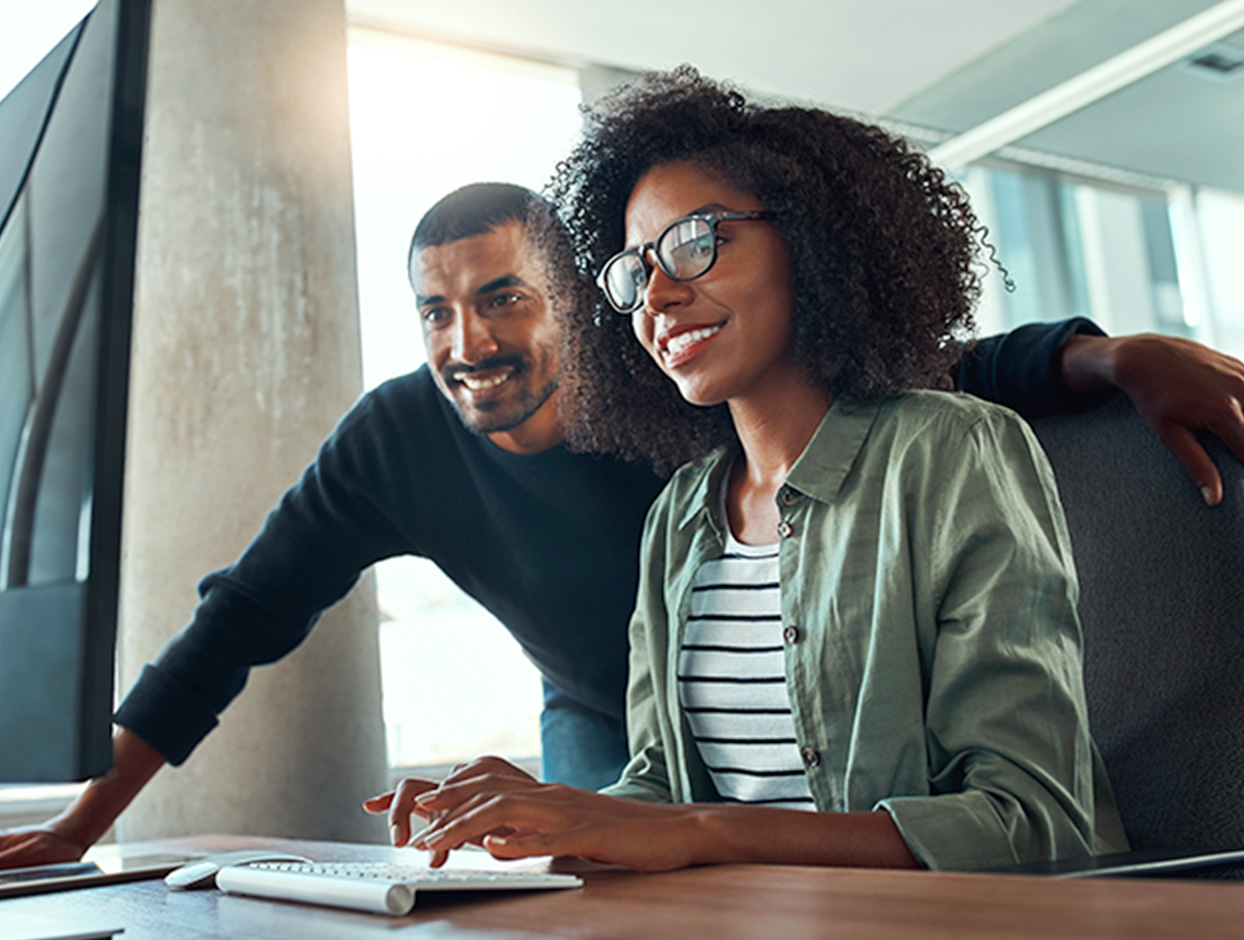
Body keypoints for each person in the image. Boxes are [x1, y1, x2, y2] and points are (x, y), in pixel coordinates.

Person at [2, 164, 1242, 868]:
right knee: (578, 872)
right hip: (625, 716)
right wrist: (81, 827)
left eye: (501, 299)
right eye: (434, 311)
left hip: (837, 701)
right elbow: (236, 621)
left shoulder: (677, 381)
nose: (467, 342)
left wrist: (1105, 356)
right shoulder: (397, 441)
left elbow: (915, 377)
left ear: (570, 307)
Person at [367, 67, 1146, 873]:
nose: (659, 295)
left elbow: (1032, 824)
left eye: (697, 242)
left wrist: (709, 831)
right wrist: (542, 815)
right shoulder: (680, 516)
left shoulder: (949, 453)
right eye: (636, 273)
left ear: (810, 239)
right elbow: (663, 793)